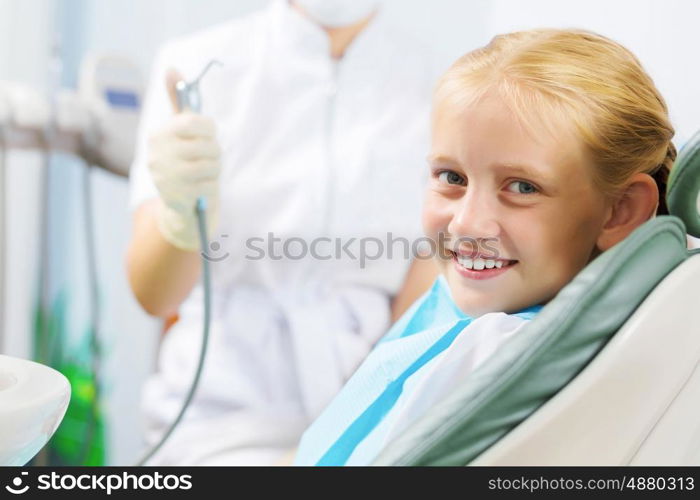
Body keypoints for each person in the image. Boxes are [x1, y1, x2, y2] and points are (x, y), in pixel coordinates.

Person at [294, 28, 676, 466]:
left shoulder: (494, 351)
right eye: (451, 177)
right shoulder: (482, 300)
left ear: (620, 211)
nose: (467, 223)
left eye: (521, 186)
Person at [126, 0, 439, 465]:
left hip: (366, 406)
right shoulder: (198, 65)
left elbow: (427, 285)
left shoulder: (436, 85)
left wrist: (369, 417)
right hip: (218, 415)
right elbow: (154, 296)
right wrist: (180, 216)